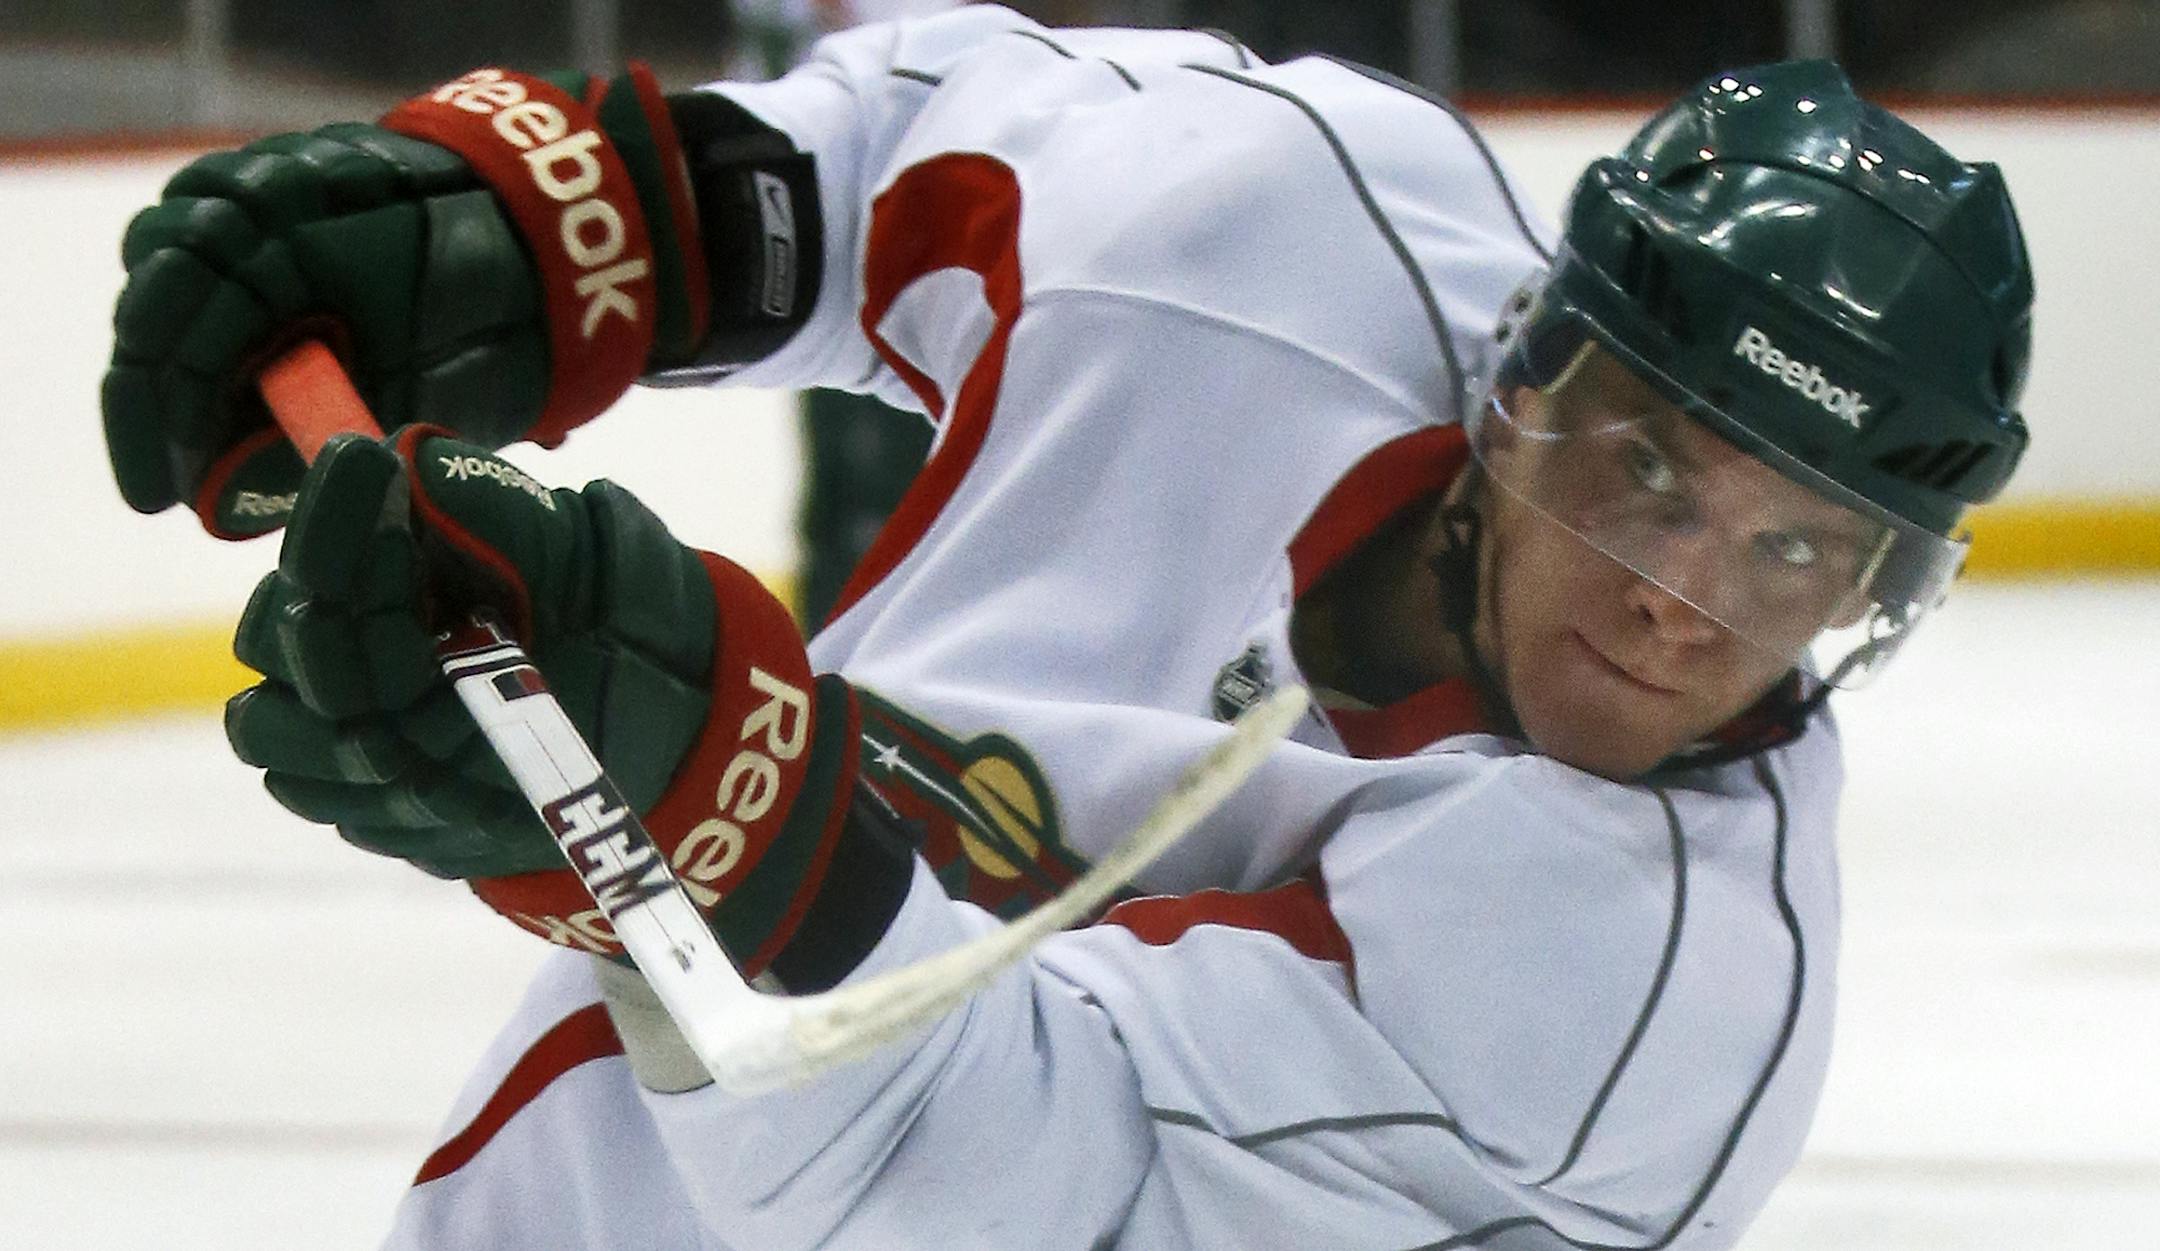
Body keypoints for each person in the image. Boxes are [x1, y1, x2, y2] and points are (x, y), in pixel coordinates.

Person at [100, 6, 2033, 1248]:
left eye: (1798, 553)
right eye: (1652, 474)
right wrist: (561, 230)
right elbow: (903, 156)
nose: (1679, 605)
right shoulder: (1292, 221)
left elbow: (991, 1190)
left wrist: (706, 813)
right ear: (1532, 375)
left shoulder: (1654, 1006)